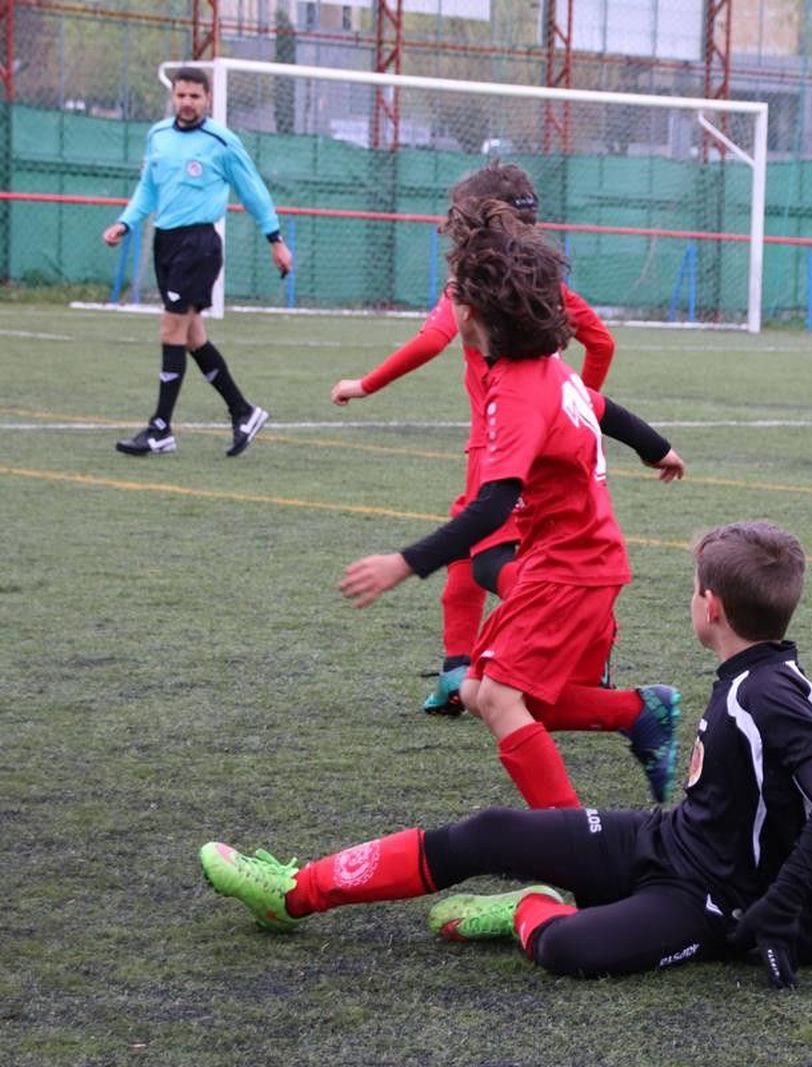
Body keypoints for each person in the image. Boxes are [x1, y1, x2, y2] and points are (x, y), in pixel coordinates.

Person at [199, 520, 812, 990]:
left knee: (568, 947)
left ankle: (526, 906)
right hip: (668, 841)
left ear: (710, 607)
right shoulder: (753, 674)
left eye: (692, 590)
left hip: (713, 899)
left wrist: (782, 903)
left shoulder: (768, 691)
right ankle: (293, 892)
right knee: (491, 830)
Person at [338, 198, 682, 808]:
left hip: (572, 568)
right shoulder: (549, 369)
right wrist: (659, 450)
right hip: (567, 562)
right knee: (477, 692)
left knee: (498, 697)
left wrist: (404, 562)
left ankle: (572, 838)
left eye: (455, 293)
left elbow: (494, 506)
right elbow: (607, 411)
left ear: (471, 312)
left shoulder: (519, 390)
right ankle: (636, 711)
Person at [331, 160, 623, 715]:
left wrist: (364, 384)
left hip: (499, 447)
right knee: (467, 561)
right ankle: (455, 672)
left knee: (489, 561)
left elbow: (431, 339)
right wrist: (575, 405)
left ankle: (585, 636)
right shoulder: (545, 284)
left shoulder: (476, 284)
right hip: (536, 442)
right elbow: (602, 343)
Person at [102, 66, 291, 458]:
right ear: (173, 96)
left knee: (171, 329)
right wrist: (126, 222)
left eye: (195, 96)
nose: (187, 102)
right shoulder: (158, 136)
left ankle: (160, 428)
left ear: (208, 98)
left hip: (199, 244)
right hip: (166, 242)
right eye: (181, 95)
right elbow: (147, 188)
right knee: (192, 338)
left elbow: (252, 190)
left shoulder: (221, 142)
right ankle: (243, 411)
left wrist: (275, 239)